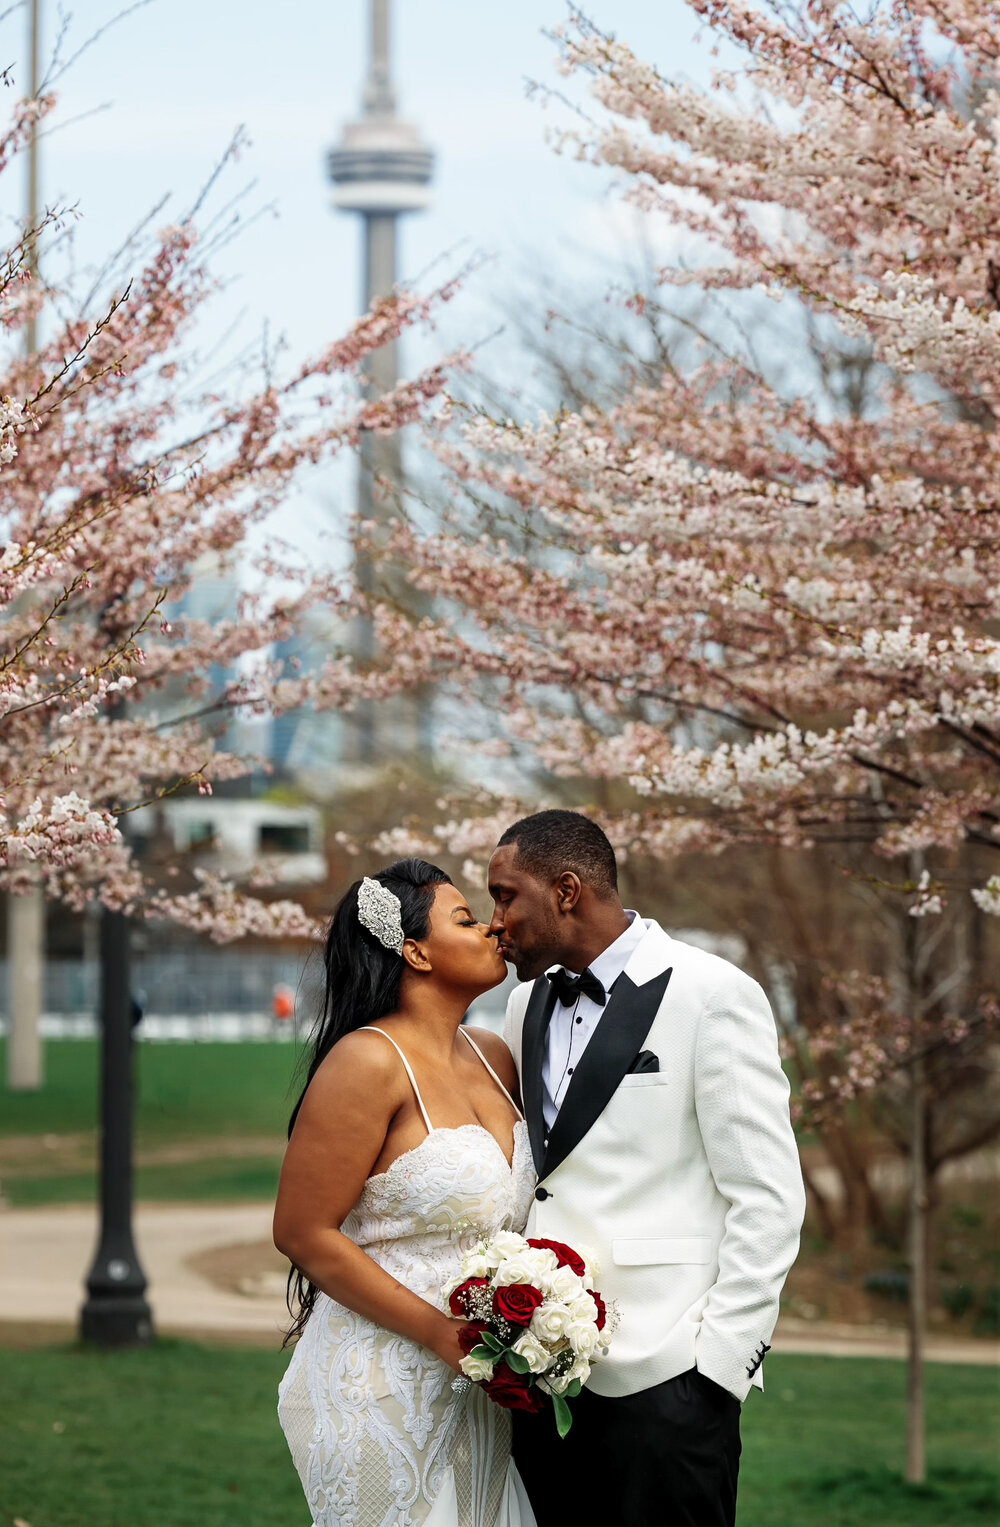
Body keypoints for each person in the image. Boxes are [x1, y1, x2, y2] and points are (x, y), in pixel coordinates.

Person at [488, 810, 806, 1527]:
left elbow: (768, 1196)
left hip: (670, 1380)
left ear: (566, 889)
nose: (495, 920)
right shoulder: (519, 1005)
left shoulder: (712, 992)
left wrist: (719, 1368)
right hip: (542, 1388)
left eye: (506, 895)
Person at [274, 858, 538, 1527]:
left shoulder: (493, 1055)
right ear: (415, 950)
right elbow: (303, 1232)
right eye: (465, 918)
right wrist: (440, 1332)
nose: (492, 929)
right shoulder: (366, 1061)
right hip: (382, 1383)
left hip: (480, 1388)